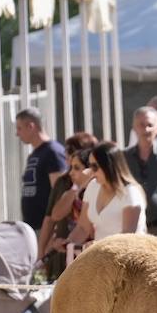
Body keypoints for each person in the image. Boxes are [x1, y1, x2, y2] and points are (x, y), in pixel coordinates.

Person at [36, 132, 98, 280]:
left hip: (92, 257)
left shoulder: (99, 188)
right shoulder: (64, 183)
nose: (70, 169)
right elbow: (54, 216)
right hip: (67, 252)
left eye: (76, 167)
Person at [73, 142, 146, 243]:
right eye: (89, 166)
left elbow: (128, 235)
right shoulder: (93, 186)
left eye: (95, 167)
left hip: (130, 255)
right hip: (102, 255)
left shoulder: (131, 192)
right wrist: (67, 243)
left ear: (109, 166)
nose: (91, 171)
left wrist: (99, 246)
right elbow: (82, 228)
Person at [124, 108, 157, 242]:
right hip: (131, 229)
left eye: (150, 125)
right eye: (141, 125)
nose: (146, 129)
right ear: (134, 128)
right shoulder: (123, 158)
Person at [15, 108, 67, 233]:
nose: (17, 134)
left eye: (19, 128)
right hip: (33, 227)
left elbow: (59, 192)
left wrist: (54, 229)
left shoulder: (53, 152)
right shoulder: (35, 154)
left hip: (46, 229)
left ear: (31, 126)